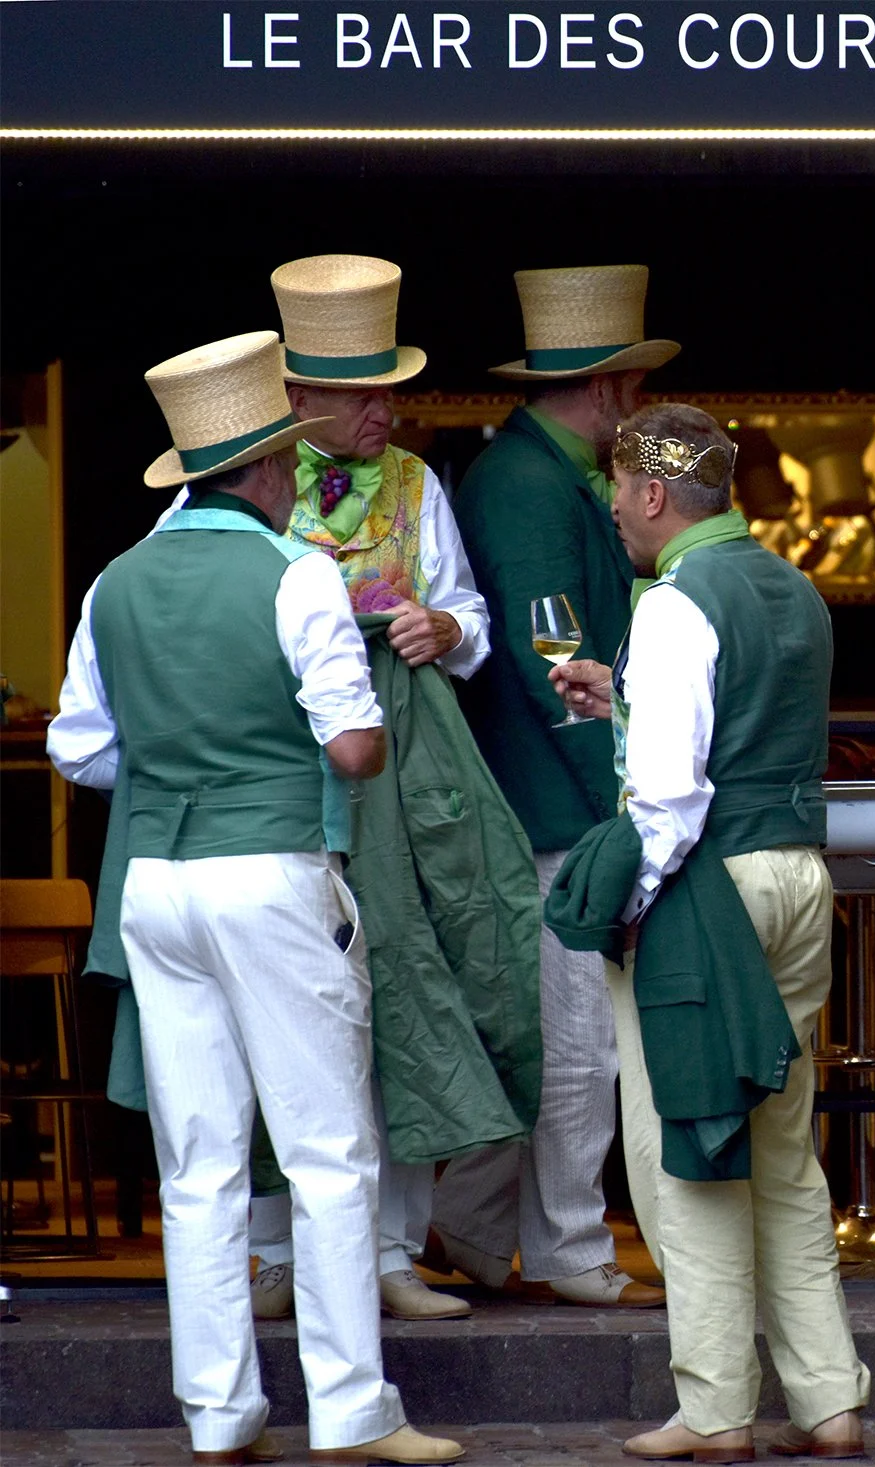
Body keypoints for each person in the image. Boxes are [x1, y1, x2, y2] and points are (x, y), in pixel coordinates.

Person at [48, 331, 461, 1466]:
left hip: (156, 885)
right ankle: (351, 1410)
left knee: (199, 1166)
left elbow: (80, 748)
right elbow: (356, 747)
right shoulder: (298, 572)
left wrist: (180, 760)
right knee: (329, 1153)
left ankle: (220, 1415)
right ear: (271, 466)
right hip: (273, 872)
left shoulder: (117, 578)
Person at [163, 254, 497, 1325]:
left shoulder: (417, 485)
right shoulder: (220, 491)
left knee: (400, 990)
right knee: (268, 1011)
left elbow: (472, 616)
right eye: (362, 395)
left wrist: (445, 629)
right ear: (296, 399)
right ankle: (270, 1252)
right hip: (271, 774)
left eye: (389, 391)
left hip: (392, 772)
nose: (384, 412)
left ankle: (389, 1251)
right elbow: (172, 609)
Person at [548, 404, 871, 1461]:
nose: (611, 506)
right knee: (781, 1148)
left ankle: (717, 1409)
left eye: (616, 487)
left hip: (706, 892)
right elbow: (742, 719)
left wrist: (627, 910)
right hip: (795, 877)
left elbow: (670, 800)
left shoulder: (673, 603)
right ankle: (828, 1398)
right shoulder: (791, 585)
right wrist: (623, 701)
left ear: (652, 492)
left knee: (683, 1155)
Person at [439, 265, 677, 1308]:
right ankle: (569, 1244)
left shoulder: (533, 472)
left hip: (550, 798)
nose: (640, 405)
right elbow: (557, 663)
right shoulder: (532, 484)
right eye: (635, 384)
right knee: (579, 1041)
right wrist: (619, 803)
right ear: (610, 385)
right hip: (559, 804)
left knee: (553, 1033)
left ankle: (477, 1227)